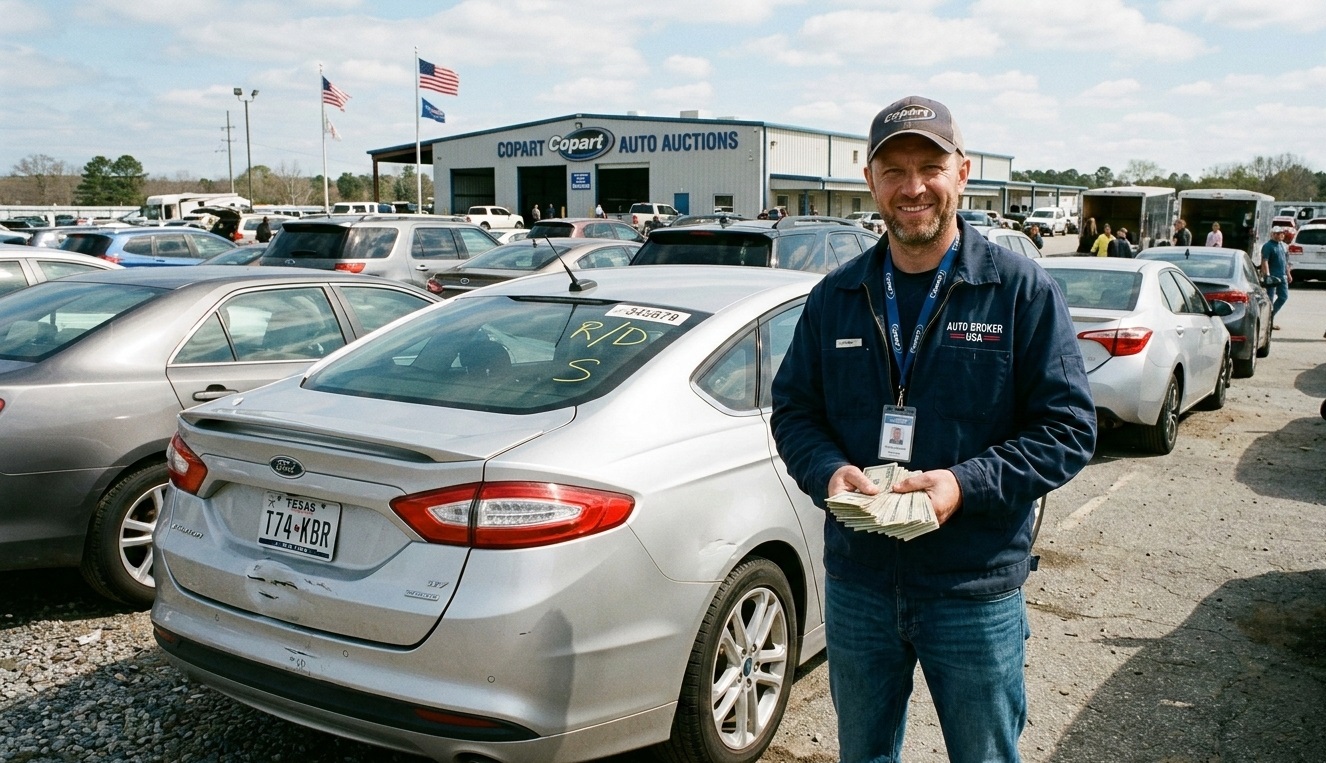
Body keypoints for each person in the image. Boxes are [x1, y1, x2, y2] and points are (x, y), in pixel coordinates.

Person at [770, 95, 1096, 763]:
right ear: (869, 180)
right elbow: (795, 411)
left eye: (930, 166)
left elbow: (1067, 428)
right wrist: (829, 471)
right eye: (893, 170)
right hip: (860, 582)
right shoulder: (836, 296)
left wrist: (961, 483)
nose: (912, 187)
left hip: (970, 587)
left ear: (963, 171)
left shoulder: (1019, 291)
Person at [1260, 229, 1291, 329]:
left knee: (1283, 297)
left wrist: (1288, 274)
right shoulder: (1268, 246)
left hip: (1282, 276)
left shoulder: (1283, 246)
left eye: (1282, 233)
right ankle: (1267, 321)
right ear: (1272, 234)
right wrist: (1267, 275)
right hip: (1272, 277)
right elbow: (1265, 261)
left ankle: (1270, 316)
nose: (1280, 235)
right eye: (1278, 233)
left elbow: (1285, 262)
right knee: (1270, 298)